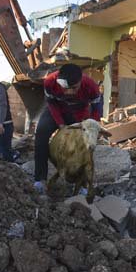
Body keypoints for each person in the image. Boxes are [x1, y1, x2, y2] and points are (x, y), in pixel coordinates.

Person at [33, 64, 101, 193]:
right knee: (41, 134)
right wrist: (61, 124)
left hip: (79, 113)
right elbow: (52, 104)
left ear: (81, 81)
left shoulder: (91, 86)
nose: (69, 92)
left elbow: (96, 108)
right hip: (56, 111)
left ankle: (82, 184)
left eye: (74, 88)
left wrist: (93, 125)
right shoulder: (49, 82)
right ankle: (40, 179)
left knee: (84, 147)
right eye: (65, 88)